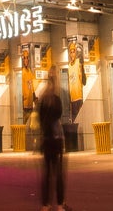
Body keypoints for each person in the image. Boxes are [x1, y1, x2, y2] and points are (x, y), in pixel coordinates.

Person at [35, 70, 67, 211]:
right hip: (56, 139)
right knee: (58, 173)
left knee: (47, 173)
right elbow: (59, 115)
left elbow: (40, 120)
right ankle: (59, 205)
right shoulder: (57, 100)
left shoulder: (43, 102)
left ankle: (46, 204)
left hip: (47, 140)